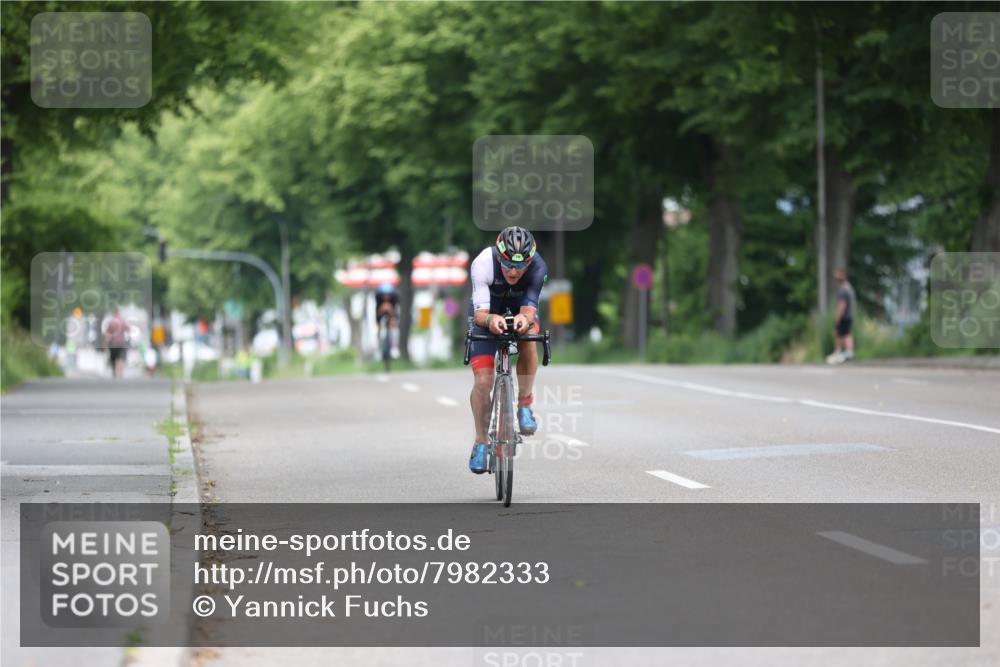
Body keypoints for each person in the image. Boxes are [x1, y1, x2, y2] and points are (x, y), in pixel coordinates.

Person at [467, 226, 548, 474]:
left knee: (529, 336)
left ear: (530, 260)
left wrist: (525, 320)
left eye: (520, 265)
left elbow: (530, 308)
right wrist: (491, 320)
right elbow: (480, 315)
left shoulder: (539, 268)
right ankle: (481, 442)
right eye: (507, 264)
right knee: (483, 382)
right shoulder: (483, 263)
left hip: (518, 307)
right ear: (499, 256)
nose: (513, 271)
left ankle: (524, 403)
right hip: (487, 312)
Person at [827, 268, 855, 364]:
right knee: (847, 334)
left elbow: (842, 305)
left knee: (838, 334)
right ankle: (849, 352)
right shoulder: (849, 288)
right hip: (850, 315)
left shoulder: (842, 290)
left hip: (844, 316)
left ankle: (838, 352)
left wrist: (838, 317)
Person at [374, 282, 399, 366]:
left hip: (392, 312)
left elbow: (396, 311)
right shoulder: (378, 298)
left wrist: (392, 316)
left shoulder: (395, 298)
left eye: (388, 295)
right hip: (380, 312)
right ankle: (378, 347)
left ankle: (395, 347)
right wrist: (378, 323)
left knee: (394, 325)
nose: (386, 297)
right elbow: (377, 313)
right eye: (384, 295)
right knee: (378, 327)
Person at [102, 307, 131, 378]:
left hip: (113, 343)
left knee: (113, 358)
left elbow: (107, 334)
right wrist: (129, 341)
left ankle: (114, 372)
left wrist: (104, 344)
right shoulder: (123, 321)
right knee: (121, 358)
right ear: (119, 312)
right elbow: (128, 331)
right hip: (121, 342)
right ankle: (120, 373)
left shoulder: (111, 321)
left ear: (114, 312)